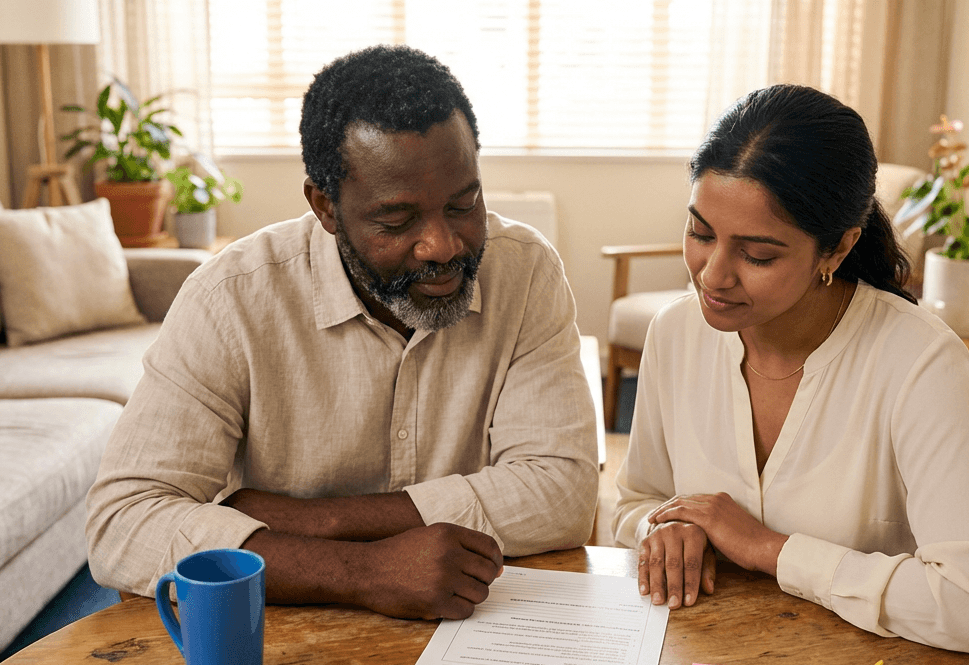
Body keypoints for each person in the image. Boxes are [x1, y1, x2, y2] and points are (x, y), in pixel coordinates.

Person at [87, 45, 598, 620]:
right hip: (280, 635)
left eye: (464, 204)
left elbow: (564, 491)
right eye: (397, 220)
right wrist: (363, 571)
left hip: (476, 623)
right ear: (325, 206)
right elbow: (122, 523)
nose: (443, 245)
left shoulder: (525, 270)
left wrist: (319, 520)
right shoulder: (230, 298)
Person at [612, 84, 969, 656]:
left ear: (837, 249)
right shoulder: (676, 333)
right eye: (701, 233)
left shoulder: (919, 360)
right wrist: (664, 527)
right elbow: (636, 502)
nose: (712, 275)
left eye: (757, 255)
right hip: (704, 662)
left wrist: (769, 549)